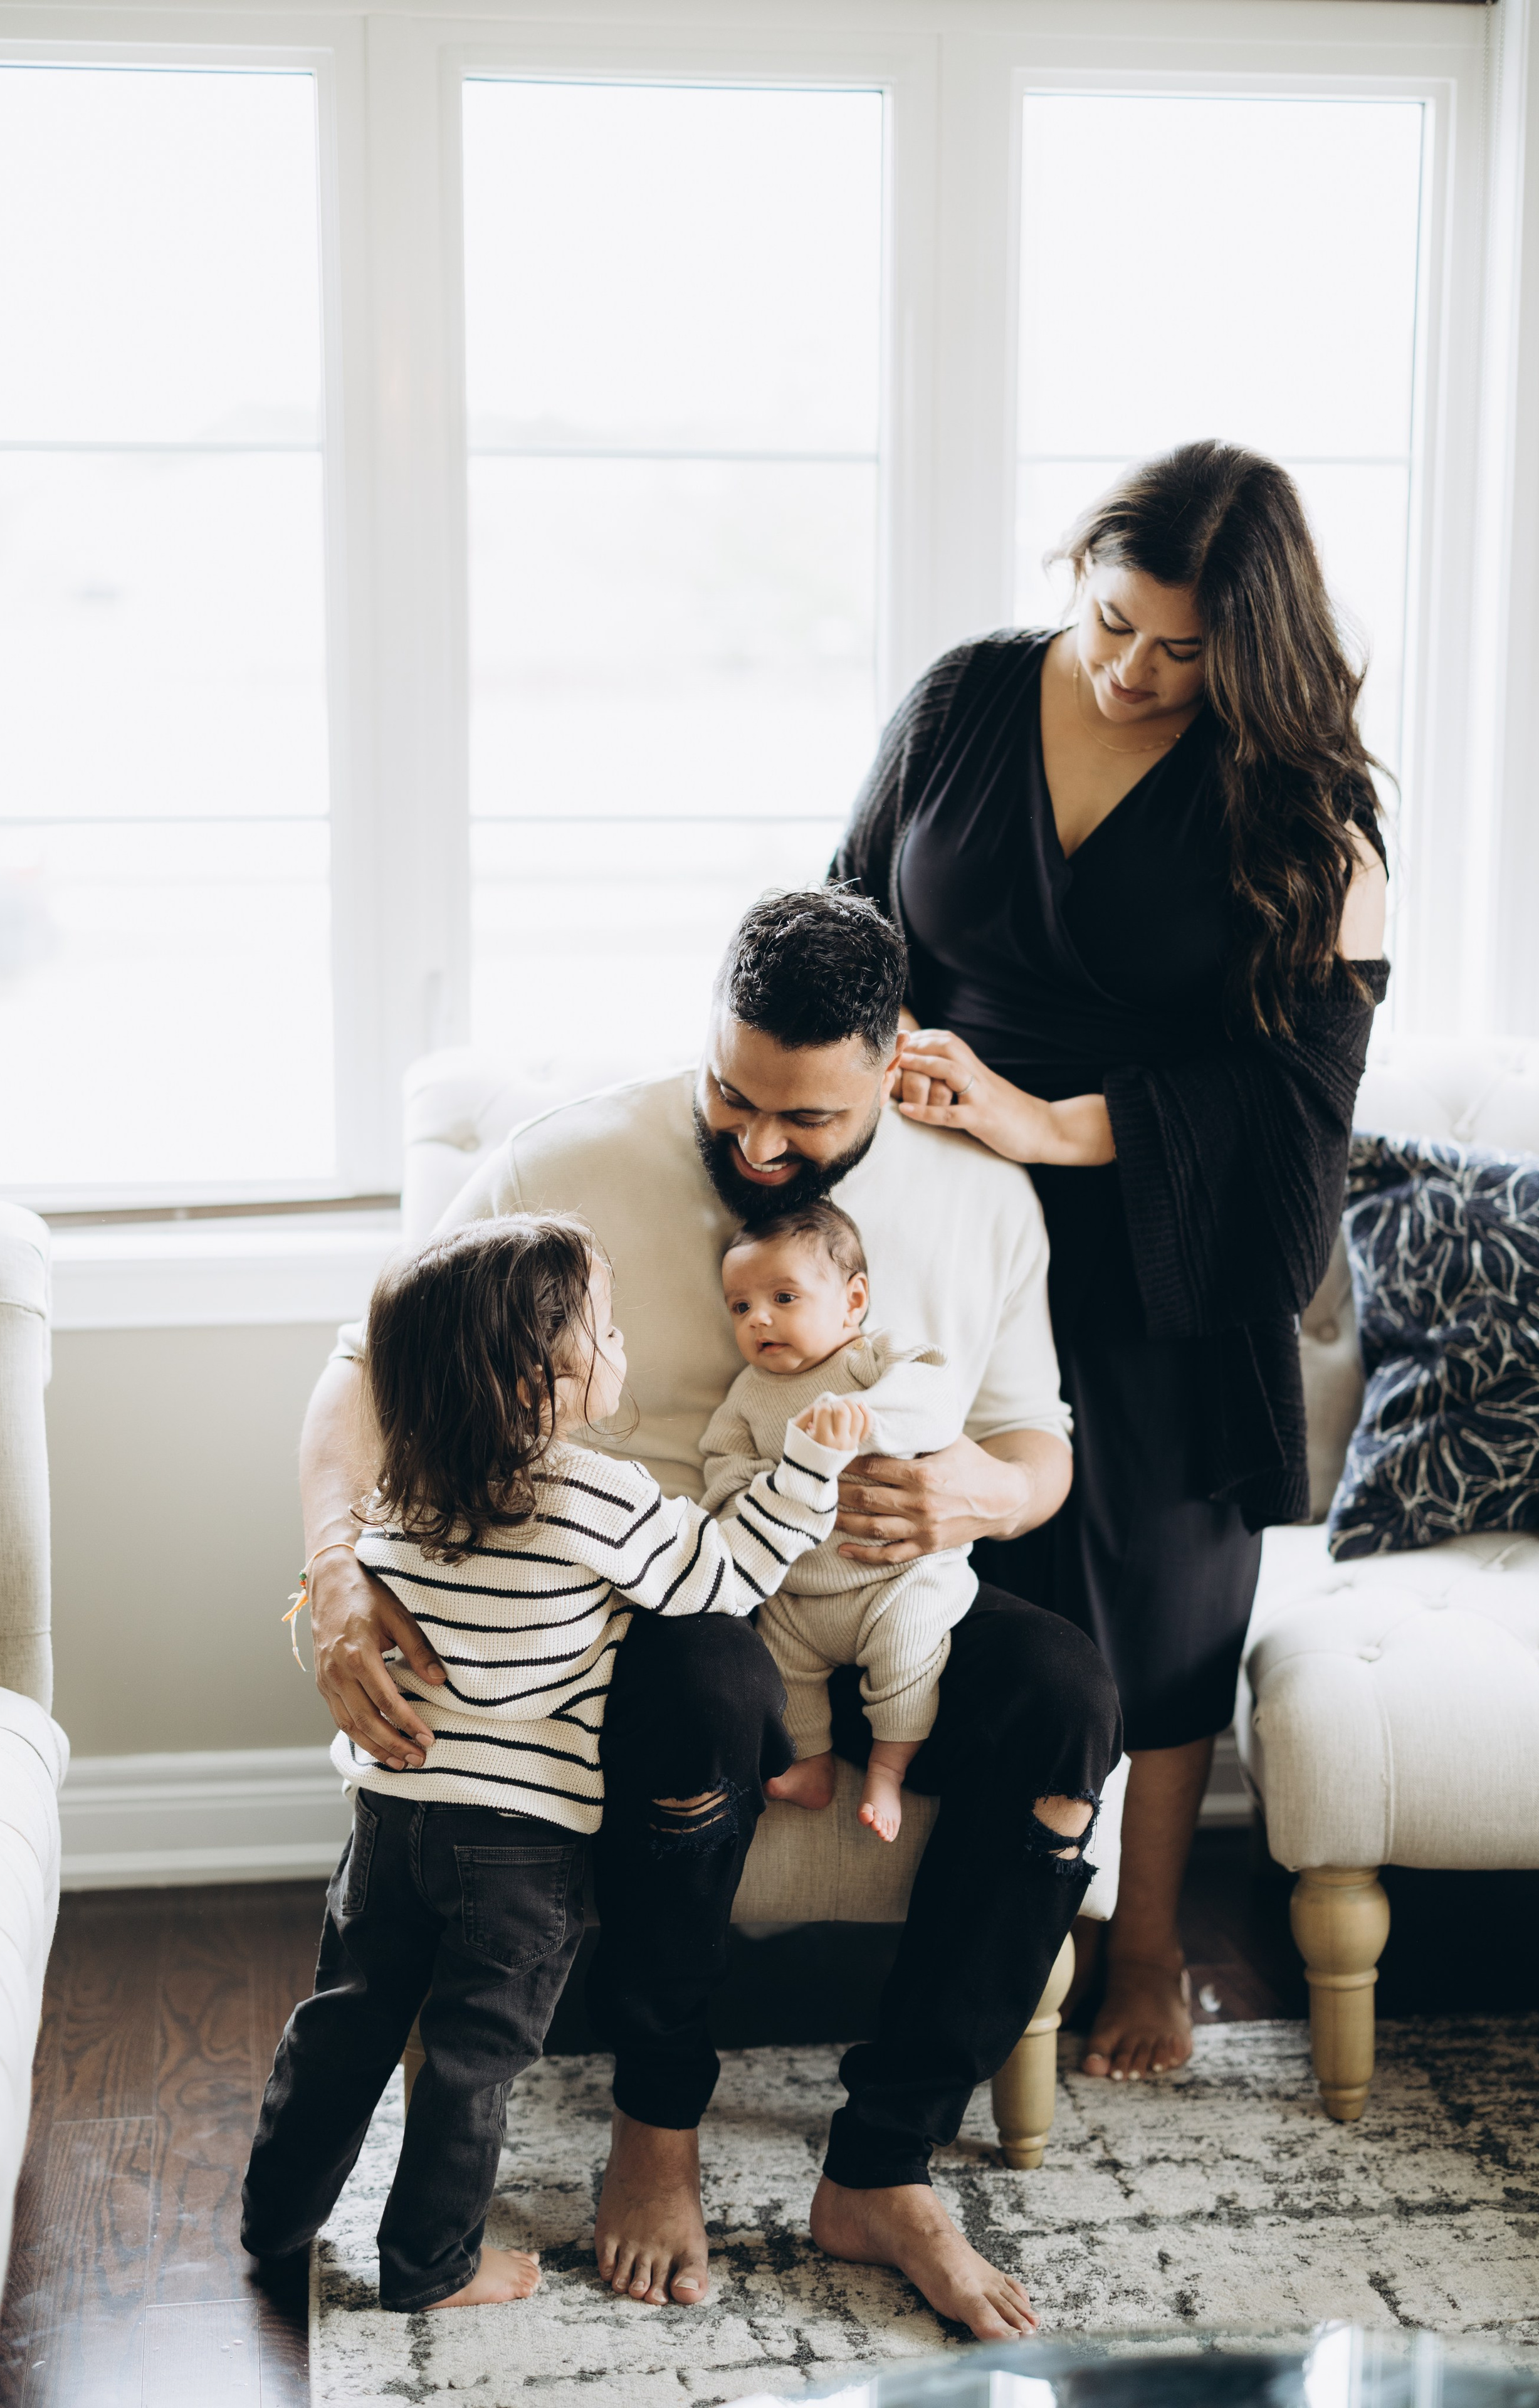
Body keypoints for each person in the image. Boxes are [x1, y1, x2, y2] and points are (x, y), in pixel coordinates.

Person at [298, 886, 1122, 2341]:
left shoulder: (981, 1194)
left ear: (890, 1060)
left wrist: (980, 1493)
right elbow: (365, 1366)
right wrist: (334, 1567)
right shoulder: (563, 1159)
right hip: (663, 1604)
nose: (755, 1143)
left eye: (804, 1118)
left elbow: (1036, 1443)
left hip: (894, 1591)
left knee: (1070, 1702)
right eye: (731, 1095)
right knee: (701, 1678)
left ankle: (880, 2166)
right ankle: (657, 2119)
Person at [831, 438, 1390, 2084]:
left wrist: (1051, 1122)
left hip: (1161, 1247)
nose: (1130, 671)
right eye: (1110, 621)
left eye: (1182, 651)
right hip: (940, 1220)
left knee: (1157, 1600)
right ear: (1076, 570)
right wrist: (887, 1069)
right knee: (972, 1590)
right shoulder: (962, 701)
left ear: (1255, 651)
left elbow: (1293, 1113)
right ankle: (1000, 1933)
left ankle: (1144, 1940)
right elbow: (849, 911)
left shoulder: (1306, 822)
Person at [242, 1212, 866, 2315]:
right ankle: (431, 2264)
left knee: (345, 2021)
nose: (624, 1346)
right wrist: (810, 1469)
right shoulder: (593, 1496)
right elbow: (724, 1578)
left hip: (390, 1819)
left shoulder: (393, 1495)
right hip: (519, 1850)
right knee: (472, 2061)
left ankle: (275, 2216)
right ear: (539, 1382)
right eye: (608, 1332)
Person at [701, 1199, 977, 1843]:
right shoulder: (746, 1396)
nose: (758, 1318)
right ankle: (811, 1762)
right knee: (778, 1661)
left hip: (896, 1580)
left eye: (784, 1297)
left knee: (910, 1648)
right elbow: (724, 1477)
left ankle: (888, 1768)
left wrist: (865, 1421)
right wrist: (778, 1485)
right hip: (802, 1593)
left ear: (853, 1301)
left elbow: (937, 1398)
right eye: (740, 1306)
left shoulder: (872, 1359)